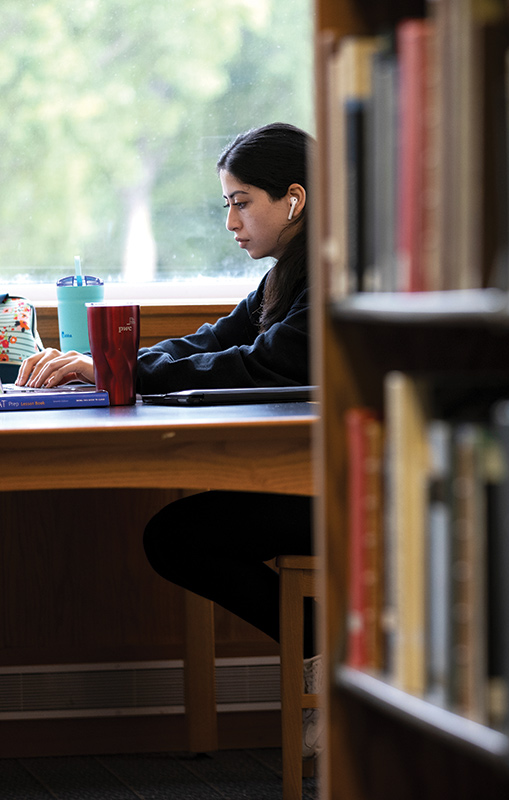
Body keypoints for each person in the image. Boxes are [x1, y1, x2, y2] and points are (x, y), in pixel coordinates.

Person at [16, 121, 323, 753]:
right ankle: (328, 650)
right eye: (226, 205)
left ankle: (326, 651)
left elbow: (261, 364)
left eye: (242, 203)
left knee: (178, 537)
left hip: (347, 487)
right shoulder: (285, 276)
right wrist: (119, 365)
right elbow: (217, 339)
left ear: (294, 200)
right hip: (314, 474)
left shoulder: (332, 275)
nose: (232, 222)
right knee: (180, 534)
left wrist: (123, 372)